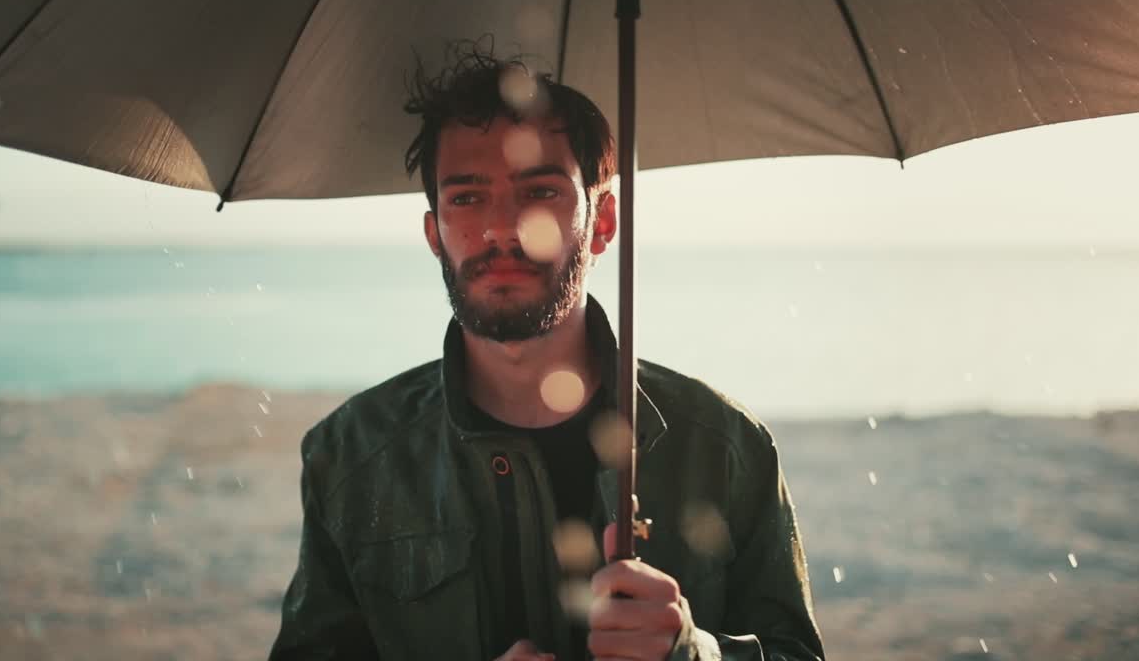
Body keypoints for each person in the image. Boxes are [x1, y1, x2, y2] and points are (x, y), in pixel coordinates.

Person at [268, 43, 825, 661]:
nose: (503, 228)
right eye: (467, 198)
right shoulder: (351, 459)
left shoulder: (725, 446)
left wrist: (688, 653)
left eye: (541, 192)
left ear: (604, 222)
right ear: (434, 234)